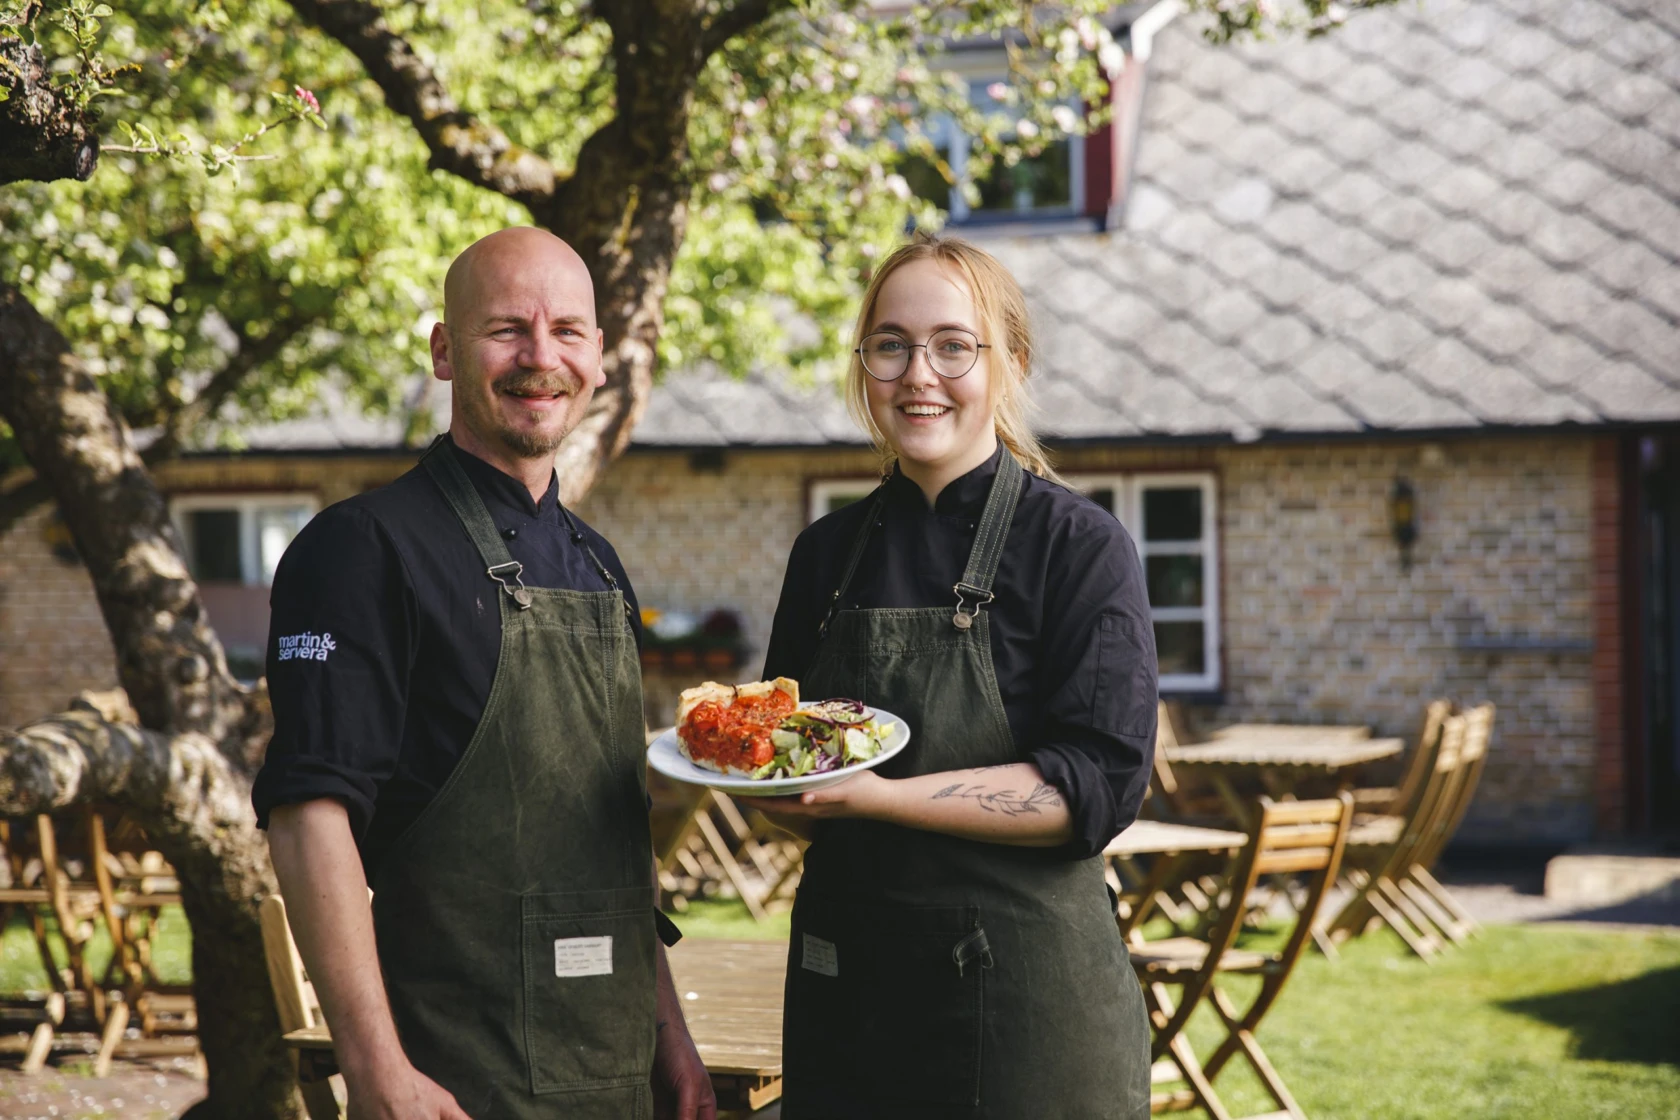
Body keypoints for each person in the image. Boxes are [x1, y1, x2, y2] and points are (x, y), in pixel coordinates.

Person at [255, 228, 715, 1120]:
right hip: (455, 1080)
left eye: (568, 332)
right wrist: (375, 1069)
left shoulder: (600, 564)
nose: (541, 359)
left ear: (599, 358)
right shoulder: (359, 550)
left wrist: (673, 1041)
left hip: (616, 1075)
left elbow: (612, 846)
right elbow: (309, 817)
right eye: (507, 329)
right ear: (443, 350)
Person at [758, 233, 1156, 1119]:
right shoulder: (824, 553)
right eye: (890, 345)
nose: (917, 374)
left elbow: (1097, 788)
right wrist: (760, 782)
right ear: (863, 365)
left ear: (1010, 362)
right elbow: (777, 749)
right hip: (847, 992)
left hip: (1024, 1011)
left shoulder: (1078, 548)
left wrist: (873, 799)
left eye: (952, 345)